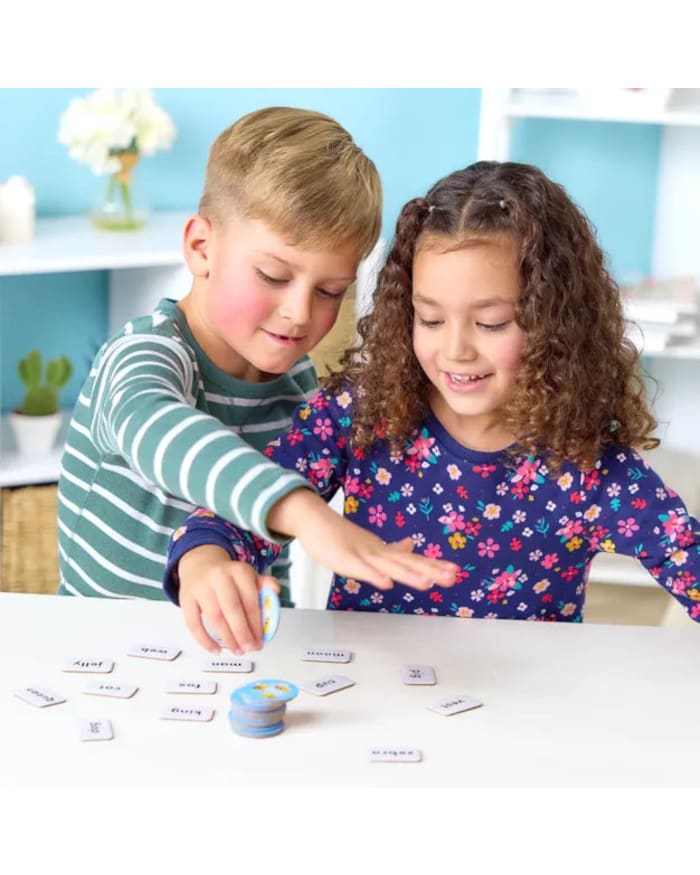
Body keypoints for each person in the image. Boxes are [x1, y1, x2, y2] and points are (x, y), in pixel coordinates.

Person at [165, 159, 700, 652]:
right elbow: (237, 511)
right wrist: (206, 560)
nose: (456, 350)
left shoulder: (590, 465)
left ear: (556, 325)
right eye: (431, 319)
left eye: (491, 323)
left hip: (523, 718)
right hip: (366, 698)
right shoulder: (362, 413)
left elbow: (686, 556)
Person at [57, 107, 459, 626]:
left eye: (330, 291)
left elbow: (266, 554)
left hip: (241, 654)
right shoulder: (144, 353)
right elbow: (160, 430)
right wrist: (303, 511)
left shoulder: (301, 389)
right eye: (272, 275)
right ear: (201, 248)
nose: (299, 312)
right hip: (104, 650)